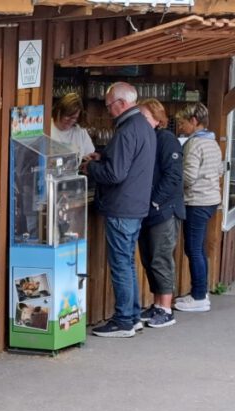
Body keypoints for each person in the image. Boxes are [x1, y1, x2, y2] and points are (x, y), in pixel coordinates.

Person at [80, 82, 156, 338]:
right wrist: (103, 156)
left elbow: (115, 174)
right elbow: (128, 163)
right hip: (136, 205)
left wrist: (90, 168)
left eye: (109, 105)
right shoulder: (144, 126)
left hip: (122, 206)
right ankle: (132, 317)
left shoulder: (126, 130)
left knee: (122, 265)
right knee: (128, 264)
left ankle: (124, 320)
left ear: (122, 104)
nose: (108, 110)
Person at [135, 99, 184, 329]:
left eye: (145, 117)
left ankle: (166, 308)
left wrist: (155, 201)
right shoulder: (146, 138)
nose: (142, 122)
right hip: (147, 210)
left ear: (158, 119)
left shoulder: (166, 140)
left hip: (164, 210)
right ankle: (157, 304)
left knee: (161, 257)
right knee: (148, 258)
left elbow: (173, 177)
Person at [173, 102, 223, 313]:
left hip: (196, 201)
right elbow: (220, 170)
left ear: (194, 121)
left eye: (183, 123)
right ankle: (200, 293)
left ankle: (199, 296)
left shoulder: (194, 144)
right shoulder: (212, 142)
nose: (180, 127)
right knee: (198, 248)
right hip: (211, 200)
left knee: (193, 249)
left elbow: (189, 177)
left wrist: (174, 183)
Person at [50, 92, 95, 160]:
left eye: (75, 118)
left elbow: (90, 155)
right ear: (59, 111)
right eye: (68, 116)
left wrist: (86, 160)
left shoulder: (80, 131)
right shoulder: (47, 127)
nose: (71, 121)